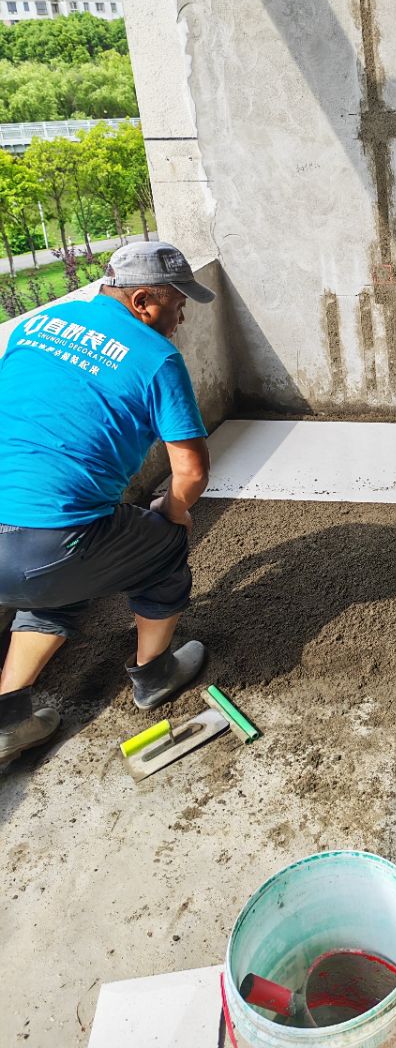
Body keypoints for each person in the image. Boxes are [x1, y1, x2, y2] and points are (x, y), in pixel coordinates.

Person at [0, 241, 215, 767]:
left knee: (59, 579)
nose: (182, 318)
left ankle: (6, 723)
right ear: (142, 302)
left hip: (19, 551)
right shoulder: (156, 357)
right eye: (177, 304)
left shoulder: (34, 326)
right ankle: (155, 675)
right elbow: (191, 472)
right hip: (49, 545)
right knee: (165, 544)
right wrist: (172, 512)